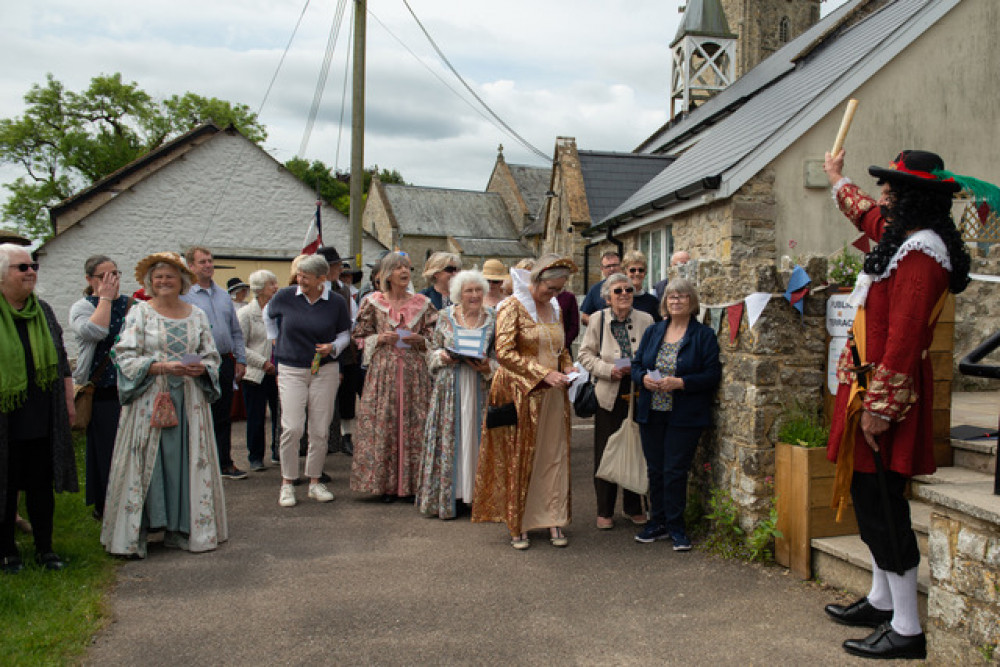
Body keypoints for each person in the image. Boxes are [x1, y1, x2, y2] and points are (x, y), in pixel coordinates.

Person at [820, 149, 974, 661]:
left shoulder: (923, 255)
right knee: (868, 499)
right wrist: (837, 178)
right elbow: (864, 211)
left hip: (889, 397)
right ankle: (883, 600)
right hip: (871, 388)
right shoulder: (902, 235)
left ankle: (906, 627)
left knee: (884, 505)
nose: (882, 198)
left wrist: (881, 409)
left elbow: (905, 340)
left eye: (892, 191)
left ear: (913, 200)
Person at [101, 252, 226, 558]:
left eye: (170, 276)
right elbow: (124, 355)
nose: (163, 282)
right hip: (150, 399)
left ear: (181, 281)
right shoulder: (140, 313)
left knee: (184, 461)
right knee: (148, 461)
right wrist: (159, 367)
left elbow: (209, 353)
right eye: (158, 278)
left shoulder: (196, 314)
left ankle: (182, 529)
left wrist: (202, 368)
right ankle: (138, 532)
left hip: (189, 402)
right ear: (150, 283)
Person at [472, 254, 576, 550]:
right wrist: (543, 373)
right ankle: (518, 522)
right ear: (537, 280)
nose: (554, 295)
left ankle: (552, 517)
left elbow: (560, 347)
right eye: (550, 289)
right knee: (521, 456)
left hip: (554, 394)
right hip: (520, 392)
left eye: (558, 290)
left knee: (552, 454)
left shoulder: (554, 307)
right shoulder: (512, 307)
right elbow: (504, 353)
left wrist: (567, 367)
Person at [0, 244, 77, 573]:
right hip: (5, 418)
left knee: (41, 486)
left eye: (33, 265)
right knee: (4, 486)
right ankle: (7, 552)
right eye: (22, 267)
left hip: (43, 415)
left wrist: (69, 403)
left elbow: (61, 362)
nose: (31, 271)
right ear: (3, 275)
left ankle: (45, 549)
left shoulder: (43, 311)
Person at [631, 278, 720, 551]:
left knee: (675, 471)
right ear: (665, 302)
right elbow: (636, 365)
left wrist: (680, 383)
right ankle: (656, 522)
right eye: (671, 297)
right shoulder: (654, 331)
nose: (676, 301)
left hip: (684, 414)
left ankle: (677, 527)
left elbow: (712, 375)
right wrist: (643, 378)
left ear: (691, 302)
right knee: (655, 470)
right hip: (652, 410)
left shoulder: (703, 335)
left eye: (682, 296)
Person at [264, 254, 351, 508]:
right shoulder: (285, 296)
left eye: (305, 276)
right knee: (291, 427)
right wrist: (273, 338)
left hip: (325, 369)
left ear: (321, 279)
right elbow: (267, 314)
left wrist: (333, 347)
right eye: (299, 275)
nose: (299, 280)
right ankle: (287, 483)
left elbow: (345, 333)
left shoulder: (335, 302)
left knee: (319, 429)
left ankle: (315, 481)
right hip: (290, 367)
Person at [350, 251, 436, 502]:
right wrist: (378, 338)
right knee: (385, 423)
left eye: (407, 267)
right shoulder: (372, 302)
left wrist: (421, 340)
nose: (404, 272)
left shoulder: (422, 303)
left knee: (413, 423)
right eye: (398, 267)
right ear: (387, 273)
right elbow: (358, 336)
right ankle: (385, 484)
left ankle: (410, 484)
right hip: (383, 370)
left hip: (413, 371)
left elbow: (437, 337)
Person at [416, 270, 496, 519]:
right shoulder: (443, 317)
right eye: (468, 291)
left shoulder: (493, 318)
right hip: (449, 388)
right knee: (451, 437)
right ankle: (452, 496)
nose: (474, 295)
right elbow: (430, 350)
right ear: (458, 294)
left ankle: (477, 497)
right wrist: (443, 356)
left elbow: (500, 355)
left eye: (478, 290)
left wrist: (489, 367)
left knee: (476, 438)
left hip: (479, 387)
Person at [577, 272, 654, 530]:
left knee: (637, 448)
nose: (624, 295)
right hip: (609, 394)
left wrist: (641, 370)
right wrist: (609, 370)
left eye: (629, 290)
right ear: (607, 297)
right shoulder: (598, 319)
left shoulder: (646, 319)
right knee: (606, 450)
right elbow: (585, 355)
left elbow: (653, 353)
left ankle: (633, 506)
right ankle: (604, 509)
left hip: (639, 392)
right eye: (618, 291)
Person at [69, 255, 132, 520]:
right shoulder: (82, 307)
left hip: (130, 388)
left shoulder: (131, 305)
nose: (111, 281)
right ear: (89, 280)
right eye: (104, 276)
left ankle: (131, 503)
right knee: (105, 452)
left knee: (130, 452)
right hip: (102, 390)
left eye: (114, 274)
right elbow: (96, 331)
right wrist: (105, 298)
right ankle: (106, 506)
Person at [181, 246, 248, 480]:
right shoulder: (184, 295)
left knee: (222, 414)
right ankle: (198, 464)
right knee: (197, 413)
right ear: (191, 266)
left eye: (210, 261)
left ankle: (224, 462)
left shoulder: (222, 296)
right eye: (202, 262)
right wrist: (188, 364)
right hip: (196, 361)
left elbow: (235, 331)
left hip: (223, 360)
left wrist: (240, 358)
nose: (208, 265)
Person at [317, 246, 360, 456]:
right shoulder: (319, 289)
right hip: (323, 352)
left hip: (345, 350)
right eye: (336, 265)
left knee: (347, 397)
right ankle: (325, 440)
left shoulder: (344, 290)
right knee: (324, 401)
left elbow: (353, 321)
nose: (340, 268)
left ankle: (346, 436)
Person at [237, 269, 280, 471]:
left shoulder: (277, 311)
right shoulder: (246, 314)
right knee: (255, 417)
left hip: (278, 372)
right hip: (256, 373)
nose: (276, 287)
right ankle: (255, 456)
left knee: (280, 416)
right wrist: (263, 362)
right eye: (272, 284)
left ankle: (278, 451)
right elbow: (240, 346)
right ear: (260, 289)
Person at [579, 250, 620, 325]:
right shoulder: (595, 289)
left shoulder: (629, 287)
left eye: (614, 265)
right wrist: (600, 326)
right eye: (608, 266)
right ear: (602, 269)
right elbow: (584, 317)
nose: (612, 269)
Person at [622, 250, 661, 322]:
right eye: (632, 270)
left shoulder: (653, 302)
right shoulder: (620, 299)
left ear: (645, 273)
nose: (637, 273)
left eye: (641, 270)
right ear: (625, 272)